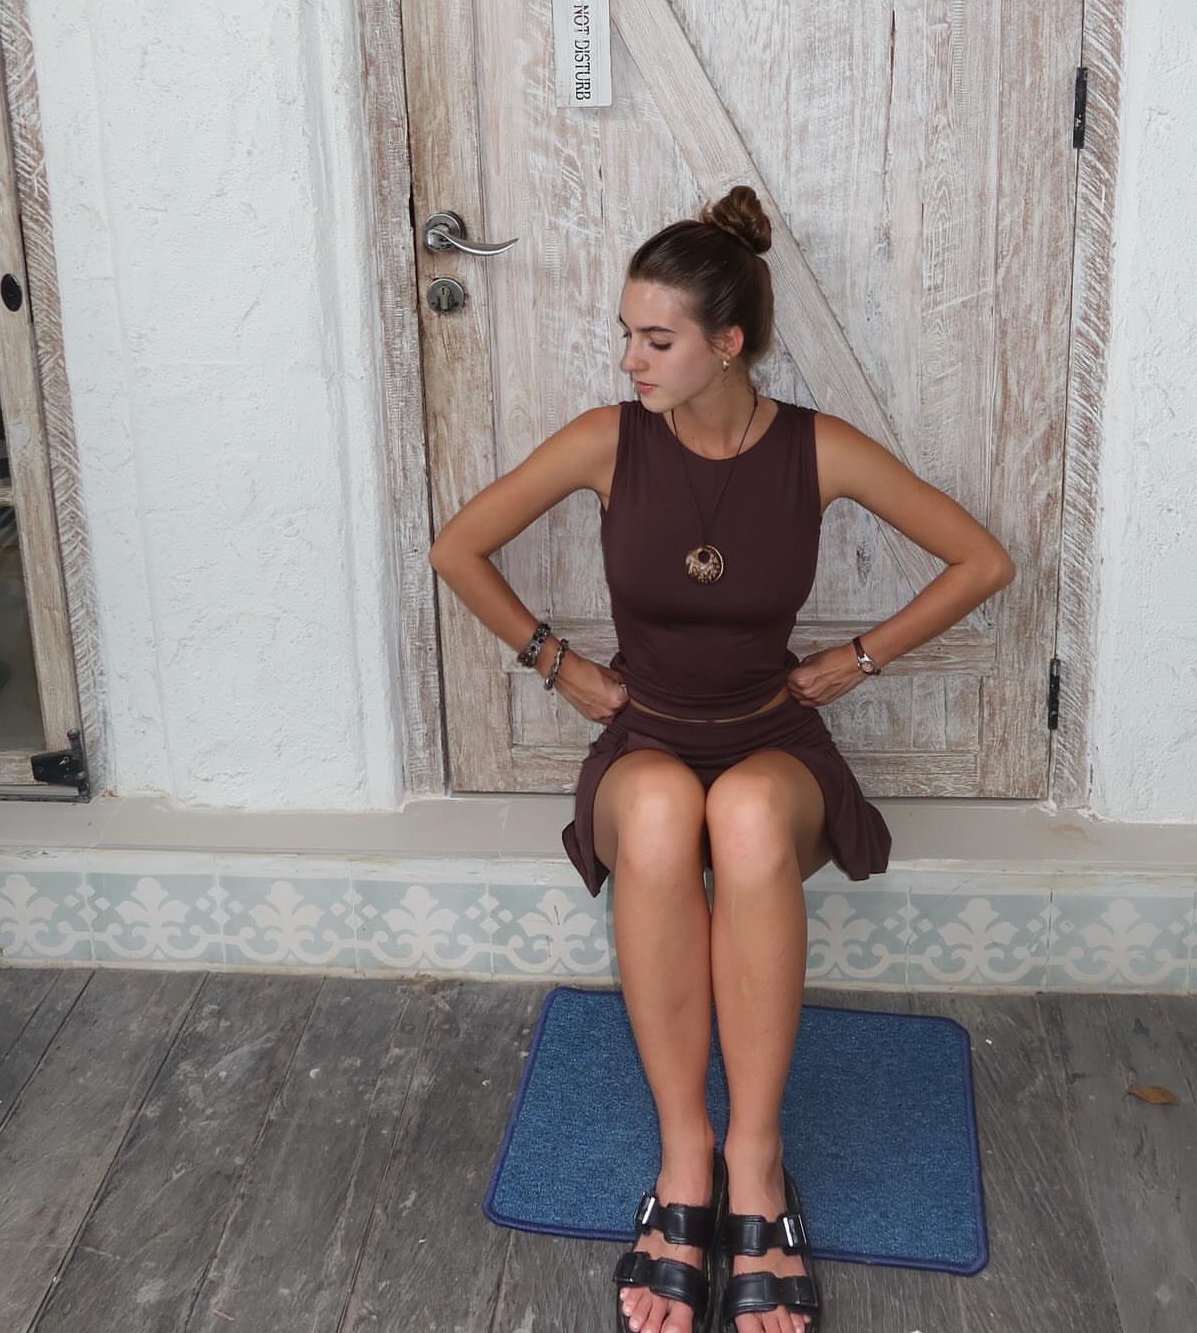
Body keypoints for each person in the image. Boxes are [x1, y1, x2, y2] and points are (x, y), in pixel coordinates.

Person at [429, 185, 1016, 1333]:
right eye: (627, 335)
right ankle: (683, 1159)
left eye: (657, 341)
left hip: (770, 741)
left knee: (744, 818)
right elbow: (458, 547)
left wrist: (859, 658)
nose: (631, 360)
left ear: (729, 343)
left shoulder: (817, 449)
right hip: (645, 738)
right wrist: (559, 663)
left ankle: (756, 1163)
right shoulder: (608, 440)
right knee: (657, 814)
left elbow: (981, 561)